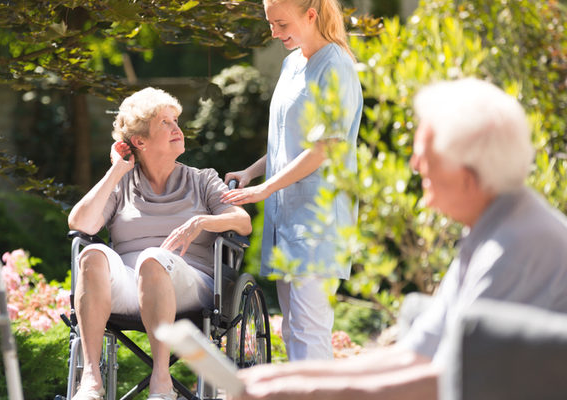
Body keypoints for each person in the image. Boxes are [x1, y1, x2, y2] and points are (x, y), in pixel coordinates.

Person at [230, 78, 567, 400]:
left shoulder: (515, 246)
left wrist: (301, 392)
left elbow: (448, 382)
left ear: (467, 174)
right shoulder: (492, 229)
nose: (415, 165)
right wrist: (283, 378)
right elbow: (414, 355)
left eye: (425, 154)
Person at [67, 87, 252, 400]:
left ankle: (162, 380)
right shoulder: (121, 183)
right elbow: (81, 224)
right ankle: (91, 379)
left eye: (176, 119)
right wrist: (116, 171)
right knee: (92, 254)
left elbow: (241, 220)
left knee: (153, 259)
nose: (177, 128)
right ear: (139, 141)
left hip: (191, 285)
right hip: (129, 288)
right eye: (165, 122)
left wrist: (202, 221)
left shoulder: (202, 179)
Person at [221, 0, 363, 361]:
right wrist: (252, 173)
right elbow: (290, 143)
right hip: (286, 217)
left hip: (318, 218)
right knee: (292, 329)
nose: (274, 33)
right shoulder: (290, 64)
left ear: (311, 15)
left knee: (309, 329)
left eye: (281, 23)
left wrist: (265, 188)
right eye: (270, 23)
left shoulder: (336, 66)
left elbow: (325, 146)